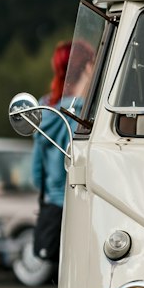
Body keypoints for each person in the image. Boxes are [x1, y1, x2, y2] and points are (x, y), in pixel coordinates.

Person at [31, 43, 95, 268]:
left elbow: (35, 173)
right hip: (81, 208)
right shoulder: (88, 112)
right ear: (88, 68)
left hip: (53, 210)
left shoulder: (44, 108)